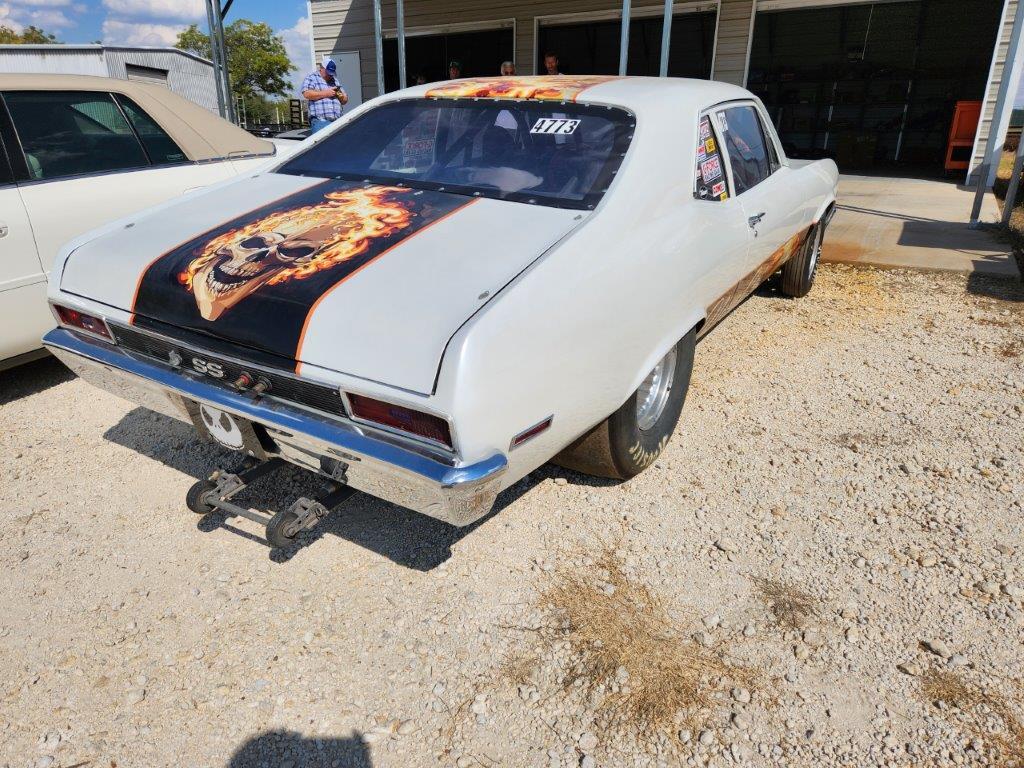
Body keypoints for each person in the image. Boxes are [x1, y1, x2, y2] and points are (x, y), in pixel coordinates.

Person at [302, 59, 348, 134]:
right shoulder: (312, 77)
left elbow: (345, 100)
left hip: (338, 122)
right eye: (328, 72)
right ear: (322, 68)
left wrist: (340, 96)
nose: (330, 75)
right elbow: (306, 94)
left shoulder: (335, 80)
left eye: (332, 73)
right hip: (321, 122)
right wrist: (326, 93)